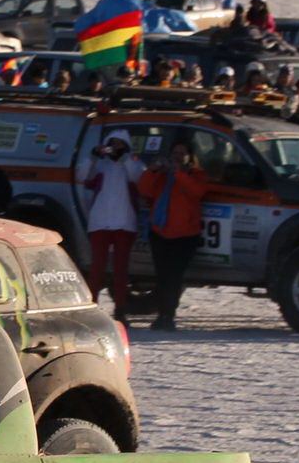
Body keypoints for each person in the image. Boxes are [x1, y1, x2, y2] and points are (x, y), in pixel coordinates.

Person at [136, 135, 208, 332]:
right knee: (162, 276)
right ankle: (162, 313)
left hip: (185, 235)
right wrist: (153, 170)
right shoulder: (161, 175)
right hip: (161, 232)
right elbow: (144, 189)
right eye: (174, 153)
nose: (177, 157)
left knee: (174, 277)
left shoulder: (195, 174)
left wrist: (179, 174)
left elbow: (197, 192)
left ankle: (168, 315)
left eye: (182, 154)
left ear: (190, 157)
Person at [76, 133, 144, 313]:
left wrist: (125, 159)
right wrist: (92, 156)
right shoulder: (100, 165)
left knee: (120, 271)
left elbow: (138, 177)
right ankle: (90, 308)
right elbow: (82, 175)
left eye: (120, 145)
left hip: (124, 223)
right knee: (97, 268)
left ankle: (120, 309)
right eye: (112, 144)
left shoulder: (132, 164)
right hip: (100, 222)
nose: (115, 148)